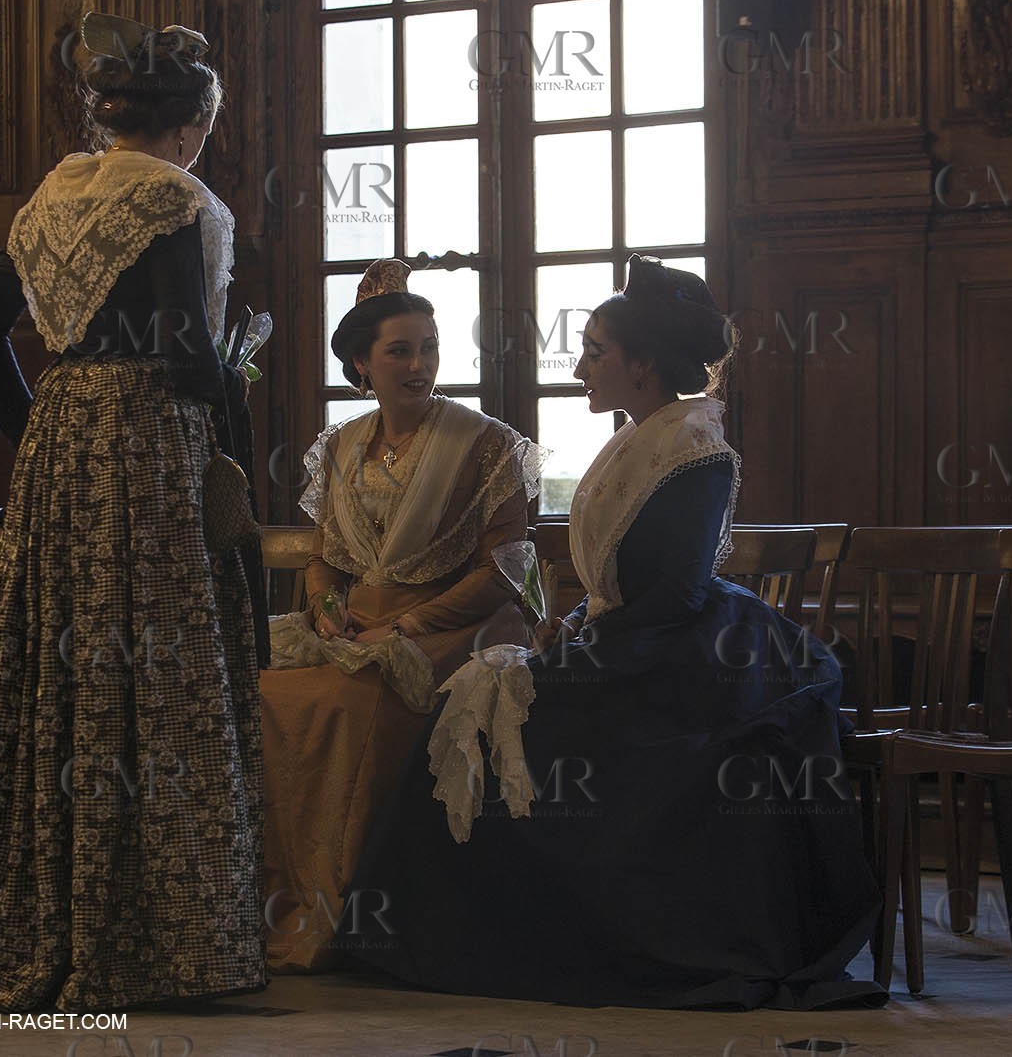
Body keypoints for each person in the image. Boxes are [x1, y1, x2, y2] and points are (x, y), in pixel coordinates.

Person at [348, 255, 884, 1010]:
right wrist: (571, 623)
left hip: (687, 663)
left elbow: (675, 594)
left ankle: (549, 943)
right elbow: (621, 585)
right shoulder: (643, 435)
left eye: (595, 352)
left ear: (643, 364)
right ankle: (441, 936)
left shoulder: (693, 447)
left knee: (506, 713)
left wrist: (581, 650)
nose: (579, 366)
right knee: (476, 700)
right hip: (636, 641)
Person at [0, 15, 265, 1011]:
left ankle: (28, 924)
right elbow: (189, 357)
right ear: (193, 122)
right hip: (150, 448)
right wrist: (239, 378)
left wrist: (39, 432)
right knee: (164, 673)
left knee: (49, 680)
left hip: (61, 454)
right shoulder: (172, 196)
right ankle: (161, 939)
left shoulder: (52, 196)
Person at [260, 258, 545, 972]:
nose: (420, 365)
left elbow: (504, 570)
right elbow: (324, 557)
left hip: (459, 625)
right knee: (264, 692)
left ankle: (338, 918)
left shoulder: (487, 444)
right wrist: (328, 612)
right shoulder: (341, 448)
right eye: (400, 350)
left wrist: (404, 628)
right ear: (362, 361)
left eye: (430, 347)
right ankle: (265, 904)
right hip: (356, 625)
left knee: (353, 701)